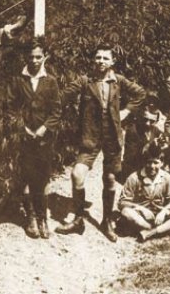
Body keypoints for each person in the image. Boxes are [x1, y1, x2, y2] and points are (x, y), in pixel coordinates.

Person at [57, 46, 145, 241]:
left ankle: (106, 221)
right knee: (77, 174)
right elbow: (62, 96)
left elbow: (140, 94)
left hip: (112, 136)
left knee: (111, 179)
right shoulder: (85, 80)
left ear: (112, 62)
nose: (101, 61)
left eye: (105, 58)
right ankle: (78, 219)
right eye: (97, 57)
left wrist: (126, 112)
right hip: (90, 136)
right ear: (93, 60)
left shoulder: (119, 81)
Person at [7, 37, 61, 239]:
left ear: (44, 57)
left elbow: (56, 111)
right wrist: (24, 129)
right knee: (27, 177)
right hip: (24, 137)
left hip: (45, 138)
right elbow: (11, 108)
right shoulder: (18, 80)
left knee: (43, 177)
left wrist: (44, 129)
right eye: (31, 57)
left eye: (39, 57)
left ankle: (42, 217)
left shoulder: (51, 81)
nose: (35, 61)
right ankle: (30, 218)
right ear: (26, 57)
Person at [118, 147, 170, 242]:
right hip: (141, 217)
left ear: (162, 163)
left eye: (156, 162)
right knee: (126, 212)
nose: (152, 166)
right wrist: (141, 209)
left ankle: (151, 232)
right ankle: (160, 229)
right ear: (144, 163)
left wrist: (164, 211)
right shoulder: (134, 177)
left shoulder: (166, 177)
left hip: (160, 216)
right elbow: (122, 202)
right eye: (149, 162)